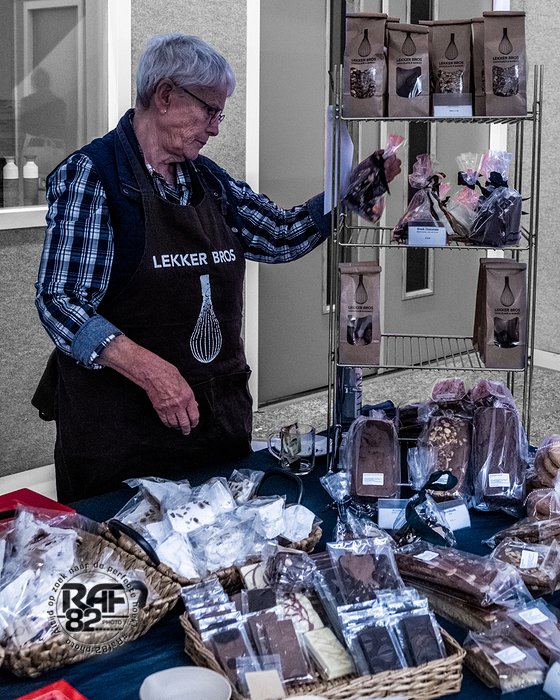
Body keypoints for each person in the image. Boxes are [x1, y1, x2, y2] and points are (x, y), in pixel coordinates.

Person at [35, 34, 401, 503]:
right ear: (165, 95)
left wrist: (347, 192)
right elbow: (60, 300)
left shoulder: (207, 179)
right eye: (210, 110)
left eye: (219, 115)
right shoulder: (94, 177)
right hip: (122, 437)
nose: (215, 128)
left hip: (212, 425)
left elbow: (279, 235)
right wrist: (152, 372)